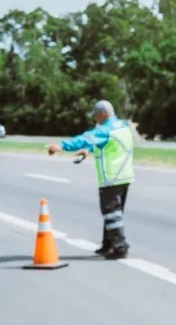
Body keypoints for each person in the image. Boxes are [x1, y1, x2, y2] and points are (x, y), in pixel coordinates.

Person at [47, 100, 135, 260]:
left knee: (111, 213)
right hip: (124, 175)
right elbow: (105, 144)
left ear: (103, 113)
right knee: (114, 212)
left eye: (95, 115)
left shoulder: (106, 129)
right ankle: (108, 244)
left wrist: (62, 146)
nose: (95, 118)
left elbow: (87, 138)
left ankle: (120, 247)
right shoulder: (122, 126)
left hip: (112, 177)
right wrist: (87, 150)